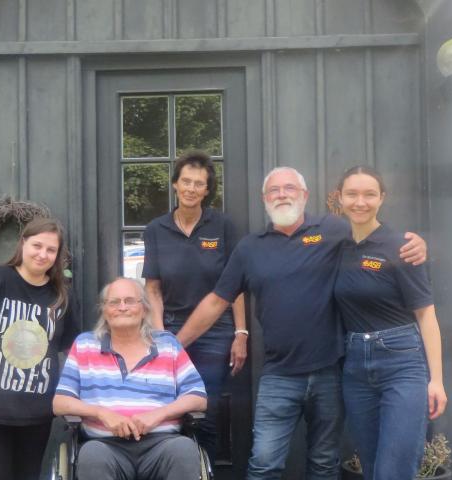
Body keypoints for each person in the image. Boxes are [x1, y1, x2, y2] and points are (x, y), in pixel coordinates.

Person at [176, 167, 427, 480]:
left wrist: (415, 244)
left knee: (324, 463)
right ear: (264, 199)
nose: (282, 195)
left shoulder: (334, 229)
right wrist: (174, 345)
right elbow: (216, 301)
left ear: (305, 195)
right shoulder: (250, 248)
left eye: (290, 188)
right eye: (274, 190)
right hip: (278, 374)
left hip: (331, 372)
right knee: (264, 462)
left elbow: (375, 236)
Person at [332, 166, 447, 479]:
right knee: (372, 469)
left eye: (369, 194)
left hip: (402, 364)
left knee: (393, 470)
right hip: (355, 369)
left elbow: (426, 315)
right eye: (352, 194)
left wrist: (436, 380)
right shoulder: (335, 246)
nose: (360, 202)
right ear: (339, 198)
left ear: (382, 198)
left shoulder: (402, 247)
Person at [142, 150, 247, 463]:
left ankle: (204, 468)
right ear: (175, 184)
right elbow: (152, 288)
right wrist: (160, 336)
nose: (191, 188)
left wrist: (241, 332)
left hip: (216, 331)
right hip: (170, 326)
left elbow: (235, 286)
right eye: (185, 181)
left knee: (204, 410)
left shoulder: (222, 226)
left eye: (198, 184)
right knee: (167, 406)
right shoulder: (156, 229)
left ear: (207, 190)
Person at [0, 217, 79, 480]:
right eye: (37, 245)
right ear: (23, 243)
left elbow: (72, 352)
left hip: (37, 413)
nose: (43, 254)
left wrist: (73, 399)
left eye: (51, 250)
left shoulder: (62, 296)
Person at [53, 277, 208, 480]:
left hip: (162, 443)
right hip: (105, 446)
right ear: (104, 311)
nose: (122, 307)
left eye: (130, 301)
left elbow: (198, 397)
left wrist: (159, 414)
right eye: (114, 302)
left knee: (184, 450)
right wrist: (101, 413)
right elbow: (60, 402)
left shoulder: (167, 344)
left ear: (144, 309)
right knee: (91, 456)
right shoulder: (85, 345)